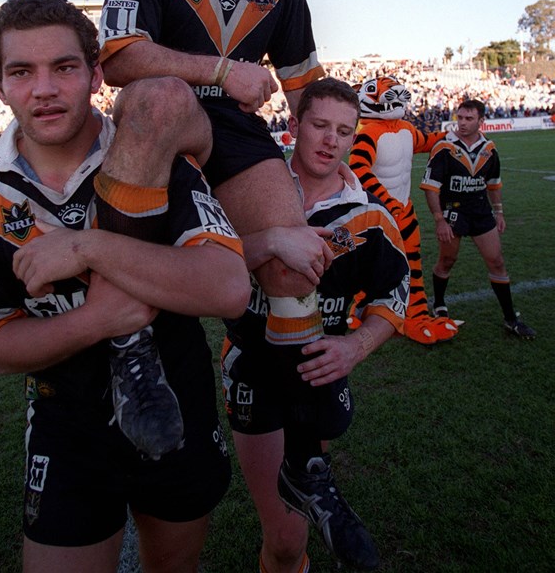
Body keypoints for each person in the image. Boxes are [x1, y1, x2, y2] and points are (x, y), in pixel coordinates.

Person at [0, 0, 251, 573]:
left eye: (64, 67)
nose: (44, 88)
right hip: (67, 422)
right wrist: (99, 319)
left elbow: (227, 287)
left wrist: (87, 246)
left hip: (179, 401)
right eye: (21, 71)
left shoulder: (159, 159)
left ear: (95, 75)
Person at [98, 0, 337, 475]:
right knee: (161, 98)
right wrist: (225, 71)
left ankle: (300, 443)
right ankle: (128, 339)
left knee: (296, 263)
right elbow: (118, 60)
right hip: (160, 124)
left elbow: (305, 93)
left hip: (233, 132)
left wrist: (338, 178)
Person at [222, 79, 409, 572]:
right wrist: (268, 242)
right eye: (320, 126)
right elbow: (194, 264)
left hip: (314, 375)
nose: (330, 140)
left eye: (343, 131)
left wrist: (356, 346)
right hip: (253, 369)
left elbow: (397, 295)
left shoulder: (368, 218)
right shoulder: (242, 192)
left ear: (354, 139)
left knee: (295, 534)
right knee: (283, 536)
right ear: (294, 125)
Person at [349, 75, 460, 343]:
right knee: (364, 259)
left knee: (412, 263)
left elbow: (425, 141)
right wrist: (386, 203)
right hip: (373, 214)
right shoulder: (367, 132)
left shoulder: (407, 129)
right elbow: (358, 168)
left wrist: (452, 136)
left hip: (404, 211)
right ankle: (353, 304)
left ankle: (417, 316)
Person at [420, 98, 536, 339]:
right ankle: (439, 303)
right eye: (460, 117)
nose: (462, 123)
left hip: (482, 212)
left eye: (468, 119)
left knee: (497, 262)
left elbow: (493, 184)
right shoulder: (444, 147)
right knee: (447, 261)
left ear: (481, 121)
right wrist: (439, 219)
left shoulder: (489, 149)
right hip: (453, 212)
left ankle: (510, 318)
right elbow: (431, 187)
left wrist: (500, 211)